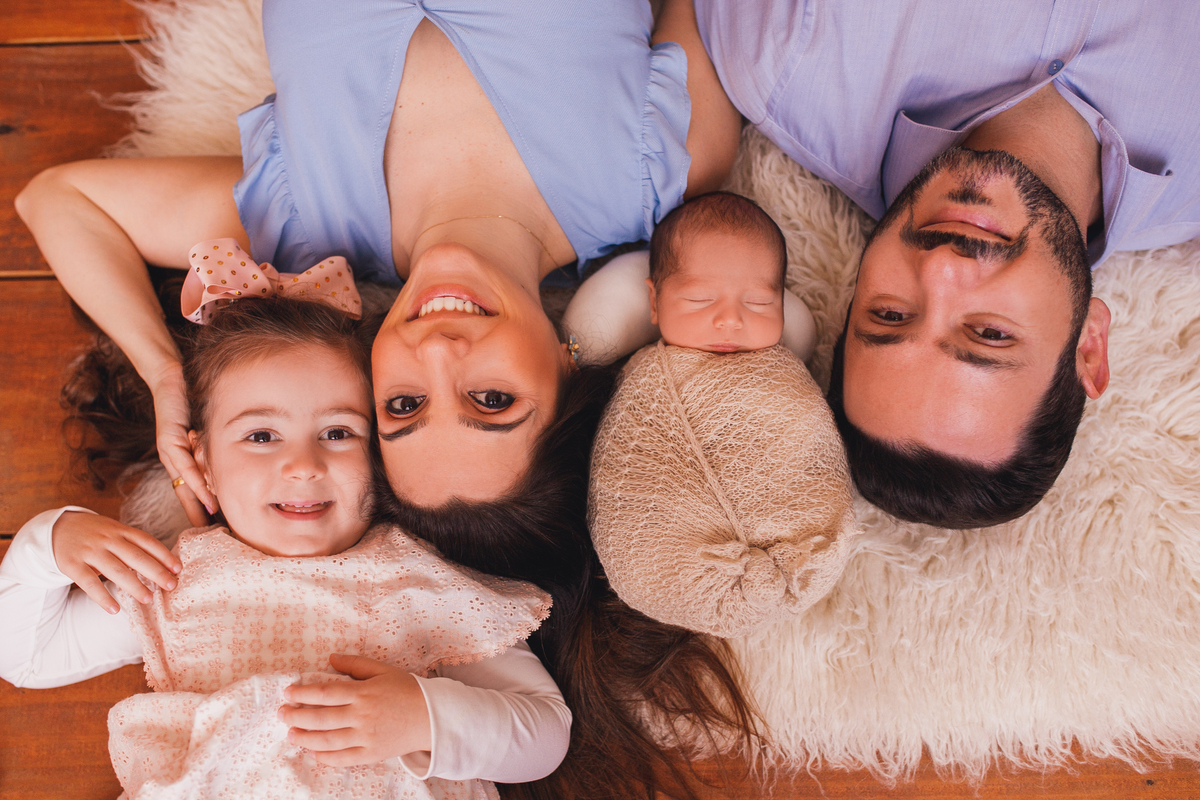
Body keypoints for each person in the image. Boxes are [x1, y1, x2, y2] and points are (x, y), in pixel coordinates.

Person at [14, 0, 741, 522]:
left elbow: (60, 200)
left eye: (404, 405)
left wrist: (167, 375)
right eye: (491, 401)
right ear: (566, 370)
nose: (440, 354)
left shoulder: (305, 221)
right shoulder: (662, 169)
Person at [0, 296, 571, 797]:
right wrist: (50, 542)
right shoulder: (175, 581)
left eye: (338, 433)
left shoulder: (422, 580)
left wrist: (423, 718)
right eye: (261, 436)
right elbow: (23, 657)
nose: (302, 465)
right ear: (201, 462)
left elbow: (544, 735)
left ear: (378, 456)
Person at [690, 0, 1200, 528]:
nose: (940, 268)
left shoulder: (783, 59)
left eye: (889, 316)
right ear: (1089, 347)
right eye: (989, 333)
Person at [647, 190, 787, 354]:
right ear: (654, 302)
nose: (730, 320)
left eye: (758, 302)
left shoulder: (790, 367)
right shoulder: (647, 371)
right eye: (699, 299)